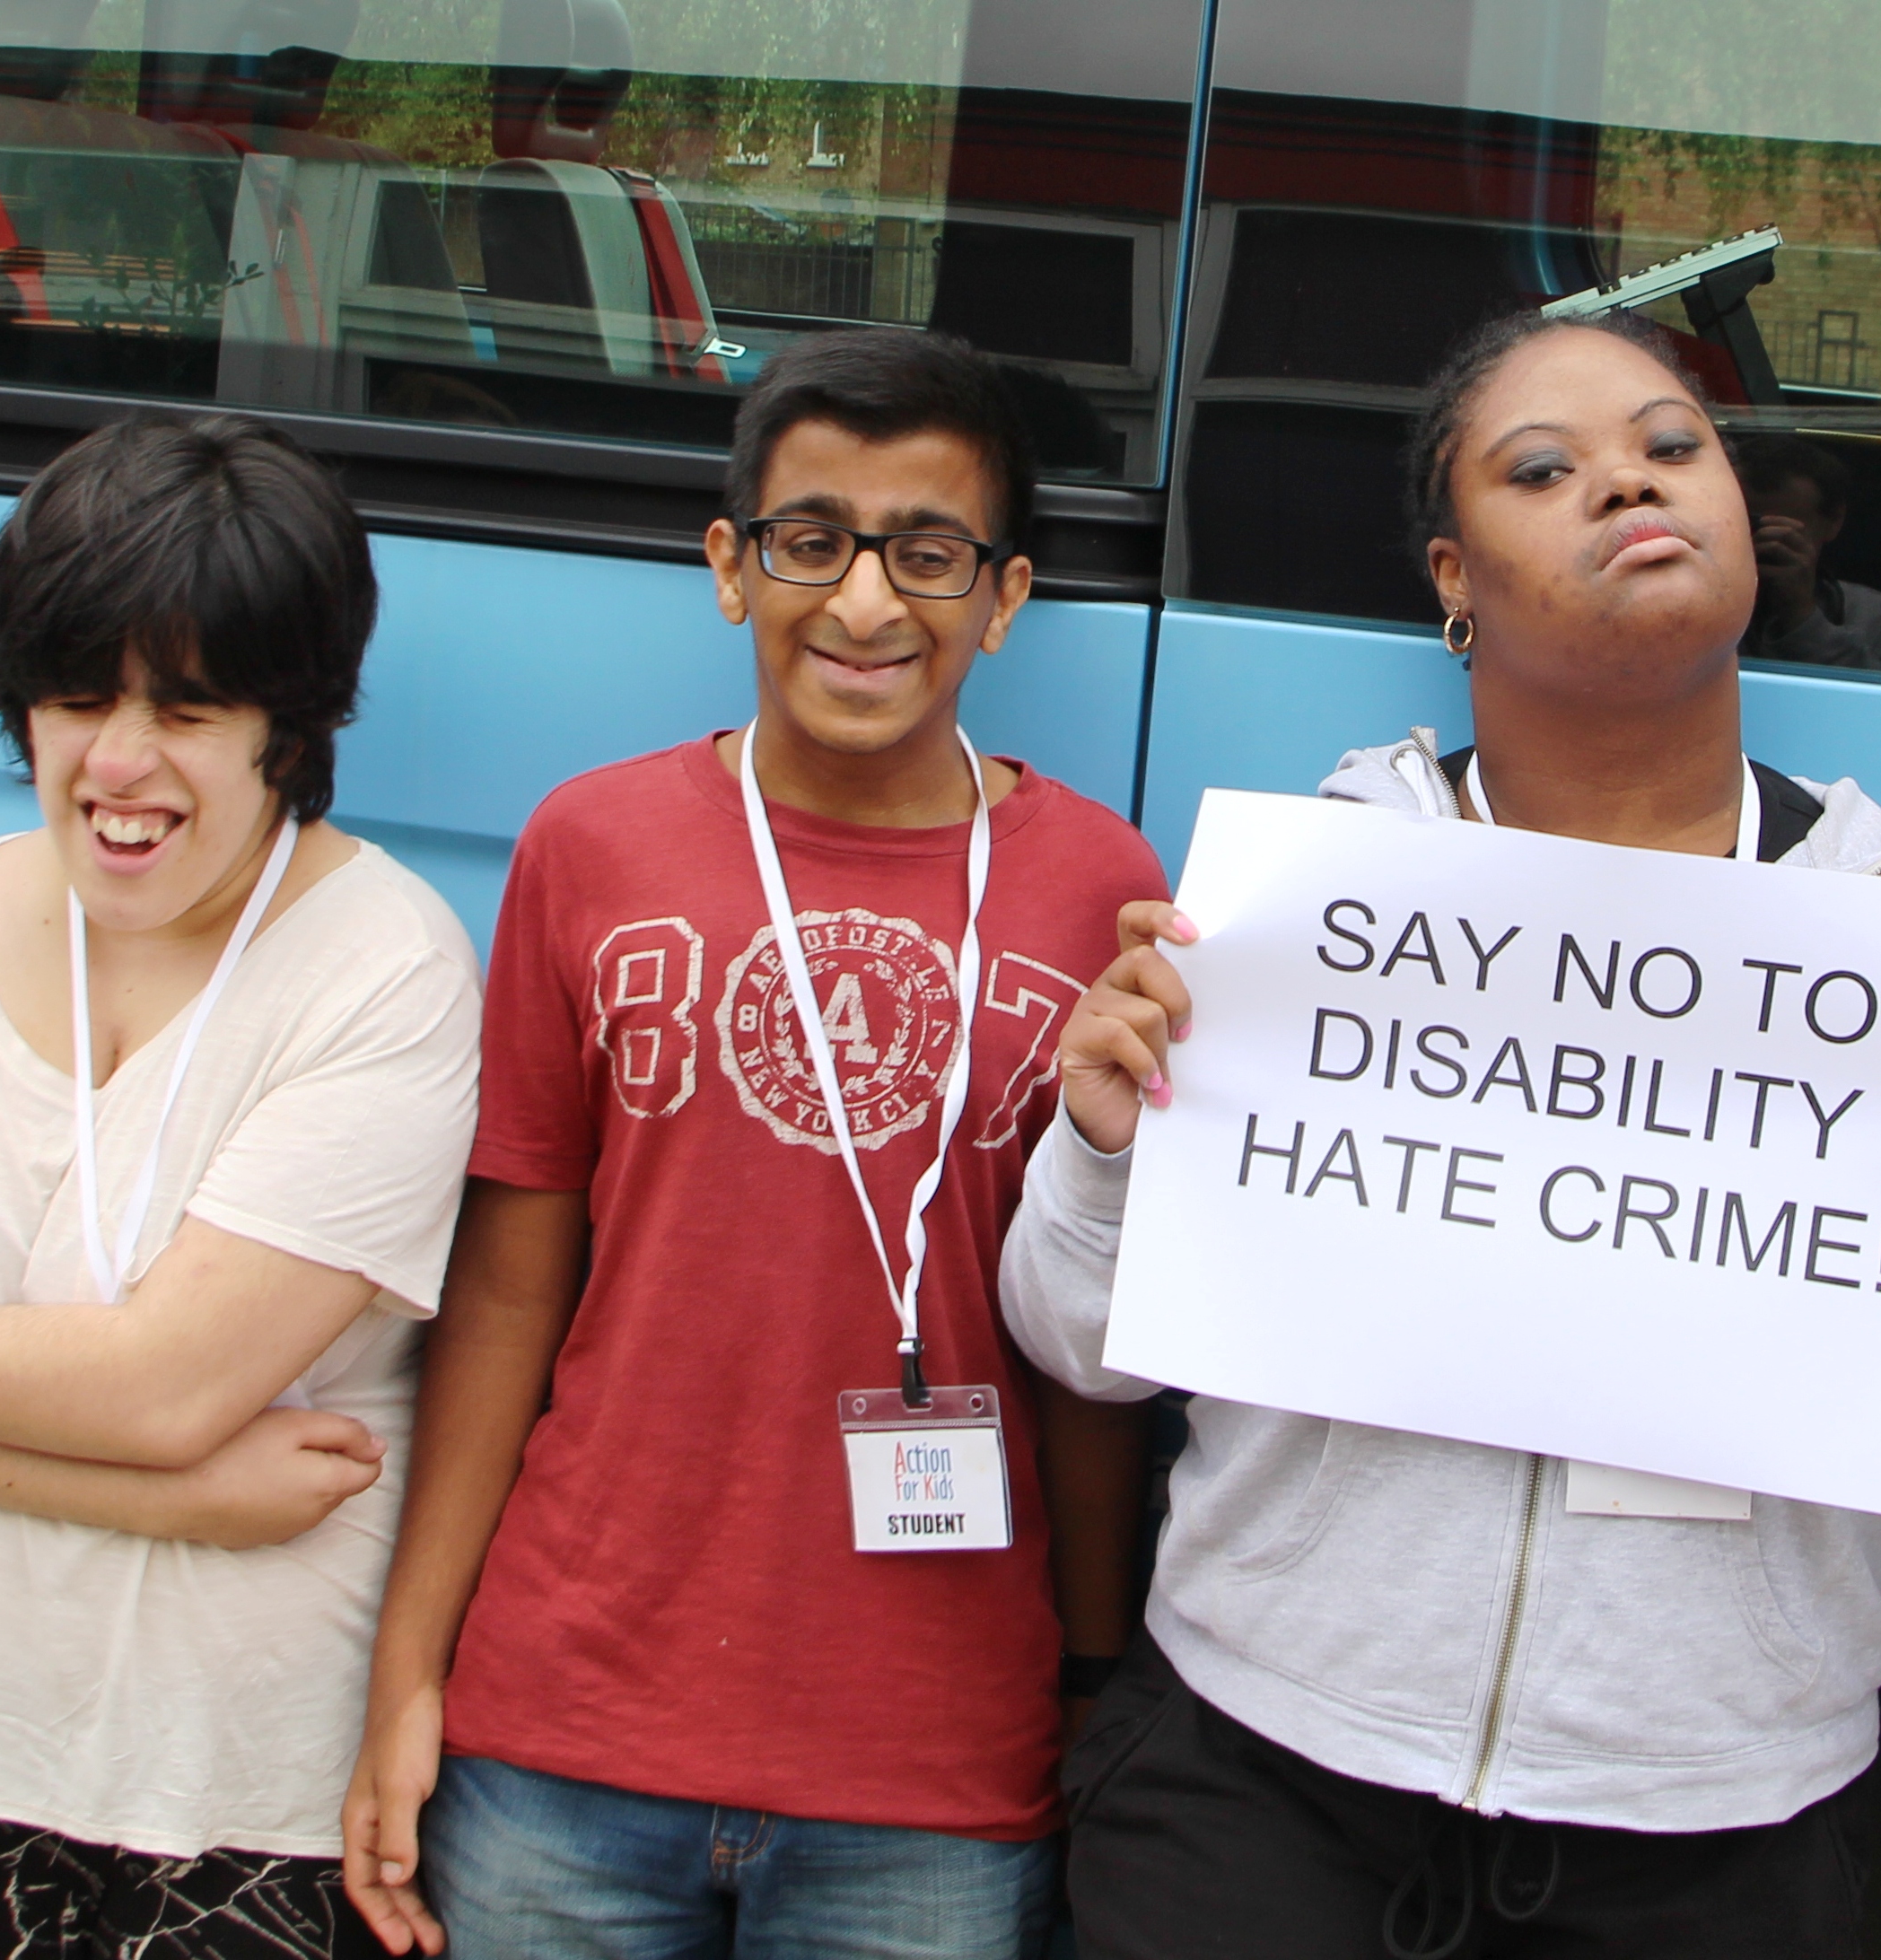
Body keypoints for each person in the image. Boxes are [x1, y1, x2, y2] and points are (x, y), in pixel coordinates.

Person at [1000, 307, 1881, 1957]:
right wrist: (1103, 1151)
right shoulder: (1308, 905)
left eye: (1672, 447)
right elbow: (1083, 1346)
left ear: (1750, 523)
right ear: (1451, 577)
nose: (1626, 482)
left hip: (1713, 1838)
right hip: (1262, 1783)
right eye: (1546, 468)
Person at [338, 328, 1164, 1960]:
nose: (863, 604)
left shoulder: (1095, 885)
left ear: (1002, 599)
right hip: (559, 1745)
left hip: (930, 1775)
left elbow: (1083, 1346)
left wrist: (1083, 1679)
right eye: (812, 541)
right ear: (730, 566)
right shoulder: (594, 844)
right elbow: (508, 1292)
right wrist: (407, 1674)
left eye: (926, 555)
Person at [0, 414, 484, 1959]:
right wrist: (194, 1493)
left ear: (292, 718)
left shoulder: (383, 966)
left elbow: (156, 1382)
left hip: (247, 1790)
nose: (119, 762)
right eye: (77, 697)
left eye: (190, 707)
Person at [1734, 430, 1881, 678]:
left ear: (1834, 521)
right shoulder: (1695, 614)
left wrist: (1801, 617)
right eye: (1744, 525)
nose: (1759, 543)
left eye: (1782, 534)